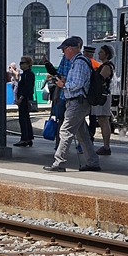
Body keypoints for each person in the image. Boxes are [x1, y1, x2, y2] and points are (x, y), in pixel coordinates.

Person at [44, 37, 100, 172]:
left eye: (64, 49)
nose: (63, 53)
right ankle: (93, 162)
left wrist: (63, 85)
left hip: (77, 101)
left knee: (65, 130)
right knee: (82, 134)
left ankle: (59, 163)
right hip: (78, 102)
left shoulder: (79, 63)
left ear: (70, 48)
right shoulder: (79, 61)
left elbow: (77, 83)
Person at [91, 45, 115, 155]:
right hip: (103, 95)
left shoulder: (106, 66)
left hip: (102, 95)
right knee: (102, 120)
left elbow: (100, 80)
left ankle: (106, 146)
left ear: (107, 54)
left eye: (101, 52)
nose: (99, 54)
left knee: (104, 120)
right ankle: (106, 145)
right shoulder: (105, 65)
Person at [12, 56, 36, 147]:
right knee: (26, 118)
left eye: (22, 63)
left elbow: (27, 88)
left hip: (24, 99)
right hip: (24, 98)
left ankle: (24, 138)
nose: (20, 65)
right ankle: (28, 137)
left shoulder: (28, 74)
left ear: (28, 64)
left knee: (23, 118)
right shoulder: (25, 74)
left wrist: (20, 98)